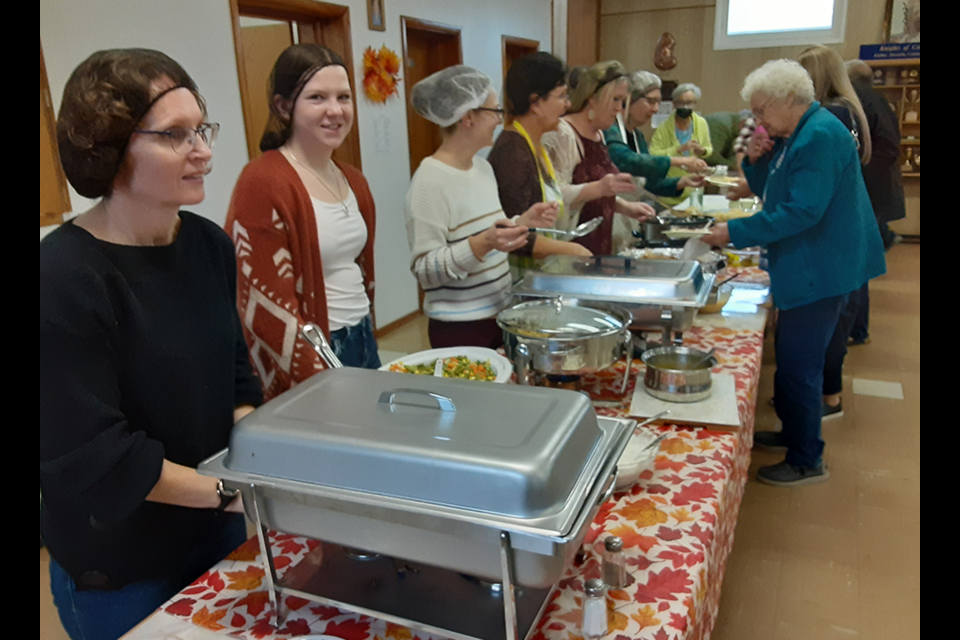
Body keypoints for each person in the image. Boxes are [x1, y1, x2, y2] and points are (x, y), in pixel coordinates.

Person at [40, 49, 263, 640]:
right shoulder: (63, 277)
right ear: (108, 153)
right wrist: (235, 492)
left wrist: (253, 462)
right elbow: (97, 458)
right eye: (175, 136)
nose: (205, 152)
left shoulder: (209, 246)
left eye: (201, 129)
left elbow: (235, 377)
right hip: (123, 565)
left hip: (218, 529)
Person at [701, 59, 885, 487]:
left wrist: (733, 231)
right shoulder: (794, 132)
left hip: (823, 266)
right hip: (812, 261)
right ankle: (793, 434)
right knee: (791, 357)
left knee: (799, 362)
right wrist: (756, 157)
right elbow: (770, 188)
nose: (756, 119)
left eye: (762, 110)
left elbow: (802, 211)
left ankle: (807, 458)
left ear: (789, 101)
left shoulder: (819, 136)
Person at [225, 44, 379, 401]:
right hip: (313, 351)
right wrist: (319, 373)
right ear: (283, 107)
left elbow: (358, 271)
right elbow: (265, 307)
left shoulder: (352, 178)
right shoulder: (262, 181)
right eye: (317, 98)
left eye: (344, 97)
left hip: (361, 335)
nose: (335, 110)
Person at [404, 66, 590, 349]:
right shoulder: (429, 181)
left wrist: (522, 221)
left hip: (500, 314)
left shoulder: (482, 168)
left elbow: (491, 232)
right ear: (469, 117)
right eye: (494, 111)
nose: (499, 120)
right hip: (460, 330)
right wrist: (482, 244)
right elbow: (425, 271)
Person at [489, 52, 635, 229]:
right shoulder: (513, 151)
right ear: (535, 103)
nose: (567, 104)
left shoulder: (532, 144)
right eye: (561, 96)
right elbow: (520, 234)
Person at [542, 61, 656, 255]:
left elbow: (598, 192)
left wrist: (625, 206)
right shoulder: (564, 133)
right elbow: (555, 195)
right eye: (615, 99)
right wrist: (600, 188)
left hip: (599, 242)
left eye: (623, 102)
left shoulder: (598, 134)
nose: (619, 108)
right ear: (593, 98)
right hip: (571, 246)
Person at [603, 70, 707, 199]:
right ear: (630, 99)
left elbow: (650, 182)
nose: (656, 109)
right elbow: (626, 160)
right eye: (651, 101)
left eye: (658, 102)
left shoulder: (637, 135)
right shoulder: (608, 128)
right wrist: (677, 160)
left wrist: (682, 182)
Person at [846, 59, 906, 253]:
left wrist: (862, 172)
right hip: (877, 175)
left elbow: (886, 143)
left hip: (870, 175)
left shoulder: (861, 100)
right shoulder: (878, 100)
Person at [649, 83, 713, 205]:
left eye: (689, 103)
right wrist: (677, 149)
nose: (685, 106)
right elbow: (653, 154)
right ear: (674, 104)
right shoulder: (664, 127)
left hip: (694, 190)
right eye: (681, 103)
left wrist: (702, 150)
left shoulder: (701, 123)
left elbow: (708, 149)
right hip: (671, 190)